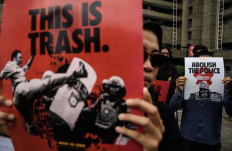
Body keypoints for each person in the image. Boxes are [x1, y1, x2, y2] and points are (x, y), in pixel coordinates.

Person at [0, 21, 180, 151]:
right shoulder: (82, 108)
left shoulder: (164, 117)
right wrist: (12, 128)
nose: (148, 66)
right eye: (137, 54)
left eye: (157, 59)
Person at [169, 45, 232, 151]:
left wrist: (230, 93)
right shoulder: (185, 85)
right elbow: (172, 107)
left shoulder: (221, 88)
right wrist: (178, 91)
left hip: (211, 140)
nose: (204, 71)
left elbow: (230, 111)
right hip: (187, 138)